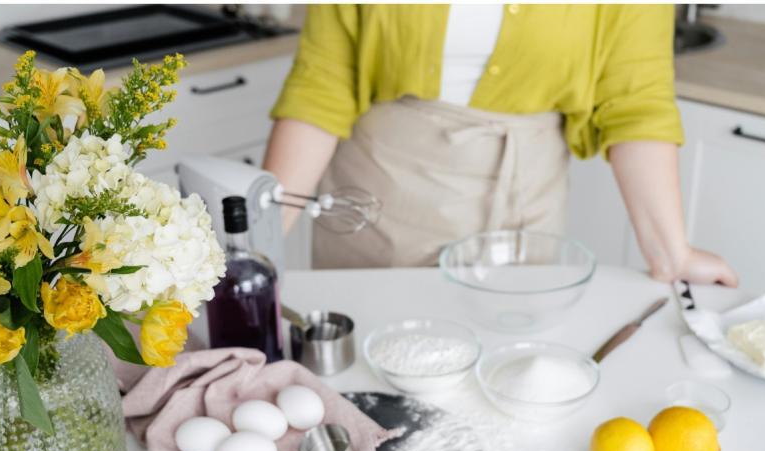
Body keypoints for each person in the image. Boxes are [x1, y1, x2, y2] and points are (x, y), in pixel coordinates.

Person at [262, 4, 738, 286]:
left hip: (522, 207)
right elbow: (322, 82)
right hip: (379, 196)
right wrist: (251, 247)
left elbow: (636, 100)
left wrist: (673, 254)